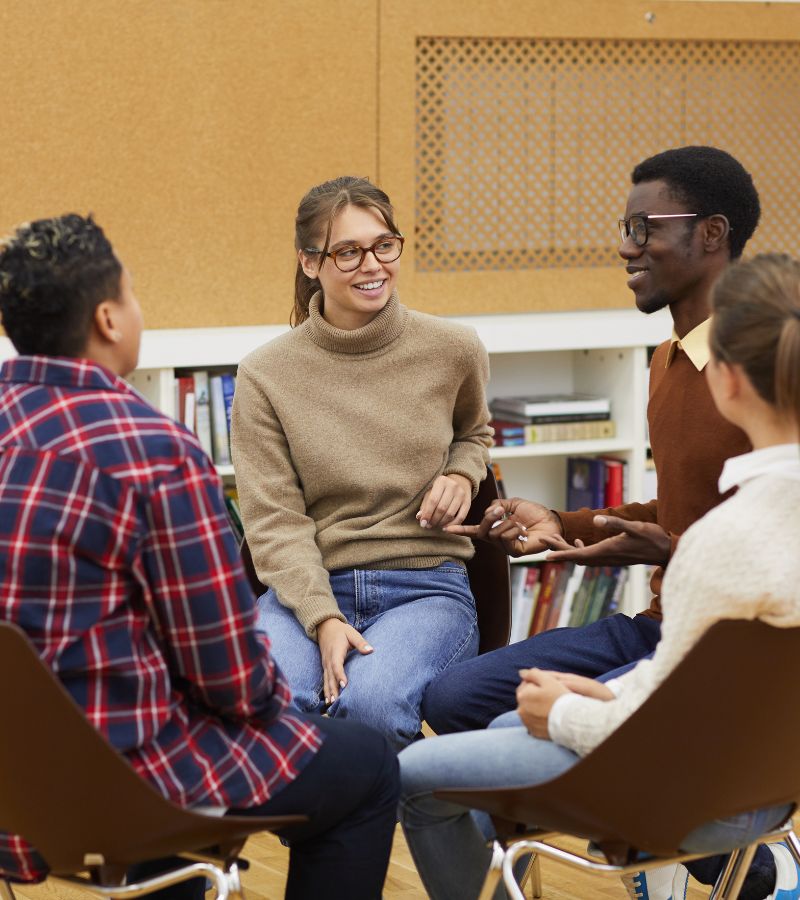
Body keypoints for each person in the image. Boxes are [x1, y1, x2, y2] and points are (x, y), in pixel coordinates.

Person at [0, 214, 399, 900]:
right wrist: (278, 705)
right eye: (131, 294)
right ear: (108, 319)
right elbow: (230, 676)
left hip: (16, 786)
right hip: (126, 782)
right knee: (364, 765)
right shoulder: (154, 452)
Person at [422, 145, 773, 899]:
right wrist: (562, 520)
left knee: (480, 756)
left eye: (646, 229)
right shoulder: (665, 361)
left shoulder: (766, 371)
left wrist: (672, 549)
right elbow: (677, 512)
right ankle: (645, 830)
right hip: (658, 619)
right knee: (452, 698)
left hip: (720, 642)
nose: (625, 247)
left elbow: (768, 540)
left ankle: (707, 852)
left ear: (712, 234)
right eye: (625, 226)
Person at [230, 176, 493, 752]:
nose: (371, 264)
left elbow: (474, 433)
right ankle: (326, 838)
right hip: (311, 584)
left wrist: (461, 472)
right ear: (309, 263)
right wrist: (323, 618)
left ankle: (364, 834)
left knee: (370, 707)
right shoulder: (265, 375)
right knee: (268, 705)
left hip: (426, 583)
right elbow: (273, 522)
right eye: (347, 251)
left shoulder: (453, 348)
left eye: (384, 245)